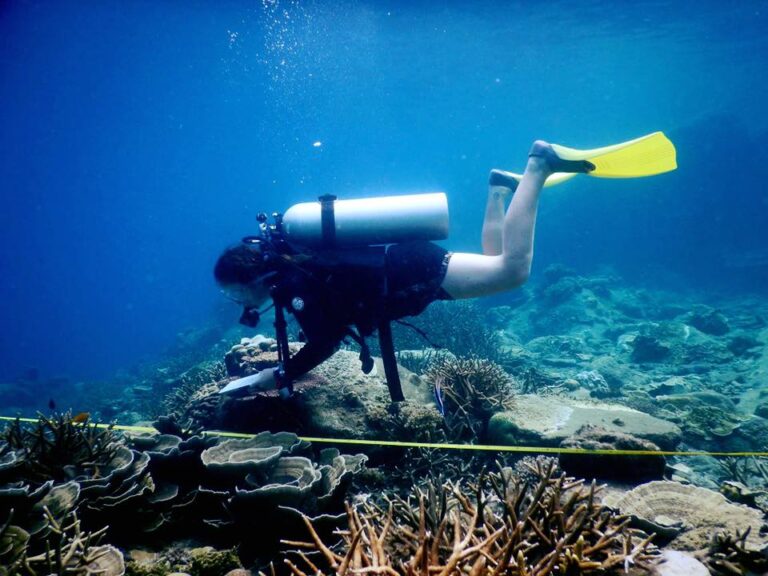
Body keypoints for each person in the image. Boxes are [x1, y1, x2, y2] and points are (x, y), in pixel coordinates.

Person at [215, 134, 676, 397]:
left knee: (512, 271)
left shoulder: (296, 284)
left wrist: (273, 376)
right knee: (498, 264)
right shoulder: (296, 270)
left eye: (233, 291)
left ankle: (538, 164)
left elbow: (327, 341)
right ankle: (499, 189)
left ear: (252, 276)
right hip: (409, 266)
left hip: (416, 271)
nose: (235, 301)